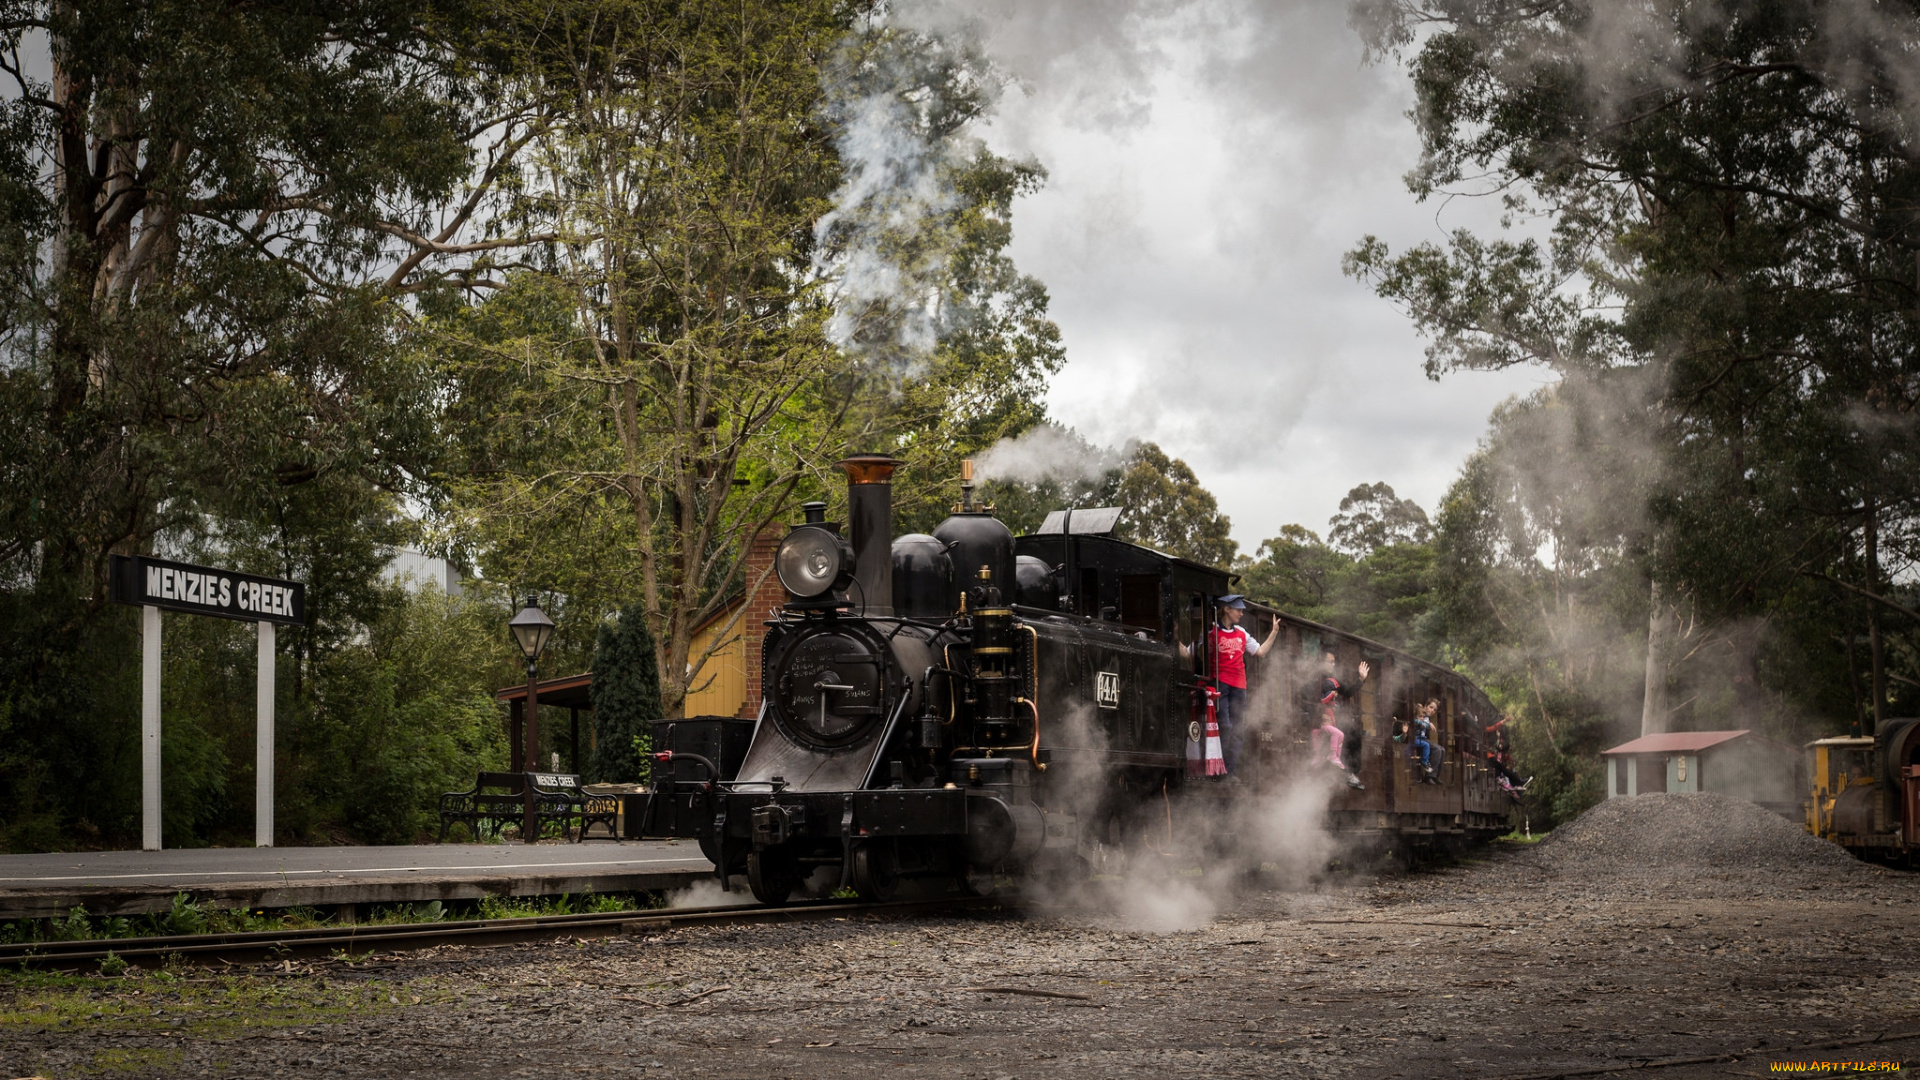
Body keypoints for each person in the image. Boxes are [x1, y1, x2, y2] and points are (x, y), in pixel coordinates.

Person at [1205, 595, 1280, 774]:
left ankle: (1229, 771)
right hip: (1220, 684)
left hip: (1239, 686)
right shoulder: (1211, 632)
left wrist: (1274, 632)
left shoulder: (1241, 633)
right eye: (1238, 610)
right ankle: (1218, 768)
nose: (1241, 613)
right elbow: (1193, 651)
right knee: (1225, 726)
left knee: (1238, 729)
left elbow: (1260, 652)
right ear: (1227, 610)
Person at [1316, 648, 1369, 789]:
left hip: (1333, 717)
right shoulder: (1314, 678)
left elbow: (1349, 691)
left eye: (1334, 662)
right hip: (1318, 718)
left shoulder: (1334, 680)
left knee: (1354, 732)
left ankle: (1350, 772)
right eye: (1330, 662)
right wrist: (1319, 713)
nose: (1333, 665)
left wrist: (1361, 679)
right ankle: (1342, 771)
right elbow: (1308, 698)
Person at [1410, 699, 1438, 784]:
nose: (1422, 718)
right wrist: (1427, 724)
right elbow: (1418, 722)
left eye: (1423, 717)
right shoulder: (1417, 721)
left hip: (1419, 738)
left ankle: (1428, 768)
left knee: (1428, 746)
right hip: (1414, 739)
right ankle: (1424, 763)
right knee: (1427, 745)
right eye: (1431, 707)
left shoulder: (1424, 719)